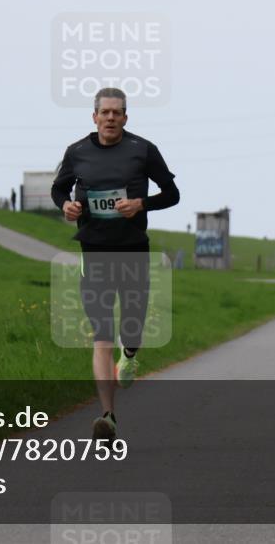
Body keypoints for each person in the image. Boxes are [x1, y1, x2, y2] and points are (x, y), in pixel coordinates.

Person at [51, 87, 179, 441]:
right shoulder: (76, 152)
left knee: (132, 325)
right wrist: (66, 206)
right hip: (93, 251)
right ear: (94, 117)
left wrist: (141, 205)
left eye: (117, 112)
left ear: (125, 117)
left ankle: (132, 353)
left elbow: (172, 195)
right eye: (104, 112)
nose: (110, 118)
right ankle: (108, 416)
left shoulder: (143, 150)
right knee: (101, 335)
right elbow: (58, 190)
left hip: (134, 249)